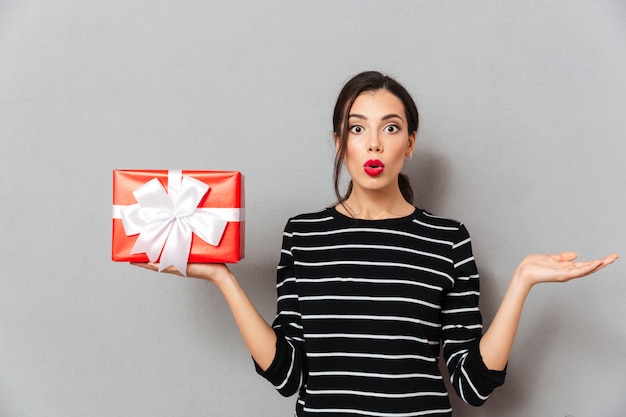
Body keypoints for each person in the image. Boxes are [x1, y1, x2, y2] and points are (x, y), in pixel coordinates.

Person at [133, 71, 618, 416]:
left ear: (410, 143)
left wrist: (522, 283)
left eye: (390, 128)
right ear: (339, 143)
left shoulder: (447, 239)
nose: (374, 144)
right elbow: (288, 374)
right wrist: (222, 277)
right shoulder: (303, 234)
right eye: (357, 128)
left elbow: (472, 386)